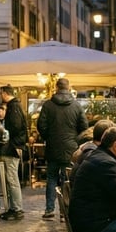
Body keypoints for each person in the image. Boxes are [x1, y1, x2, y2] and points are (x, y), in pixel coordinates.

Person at [36, 77, 87, 219]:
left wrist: (48, 137)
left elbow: (41, 125)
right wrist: (75, 140)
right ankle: (65, 211)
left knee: (51, 178)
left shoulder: (48, 105)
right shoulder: (76, 106)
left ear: (56, 88)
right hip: (71, 148)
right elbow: (84, 127)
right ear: (69, 88)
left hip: (53, 147)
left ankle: (49, 209)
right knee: (67, 179)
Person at [0, 85, 28, 221]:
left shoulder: (13, 107)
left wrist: (8, 136)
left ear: (4, 93)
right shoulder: (16, 105)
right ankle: (13, 208)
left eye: (0, 93)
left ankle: (16, 208)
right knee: (10, 179)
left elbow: (15, 127)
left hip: (13, 147)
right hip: (14, 146)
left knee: (11, 179)